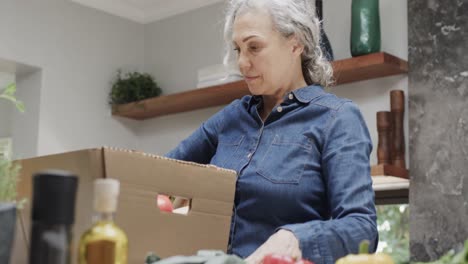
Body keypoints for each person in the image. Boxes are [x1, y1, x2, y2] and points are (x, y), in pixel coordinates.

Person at [165, 0, 378, 263]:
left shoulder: (337, 118)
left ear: (295, 43)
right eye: (238, 49)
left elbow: (361, 227)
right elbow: (162, 175)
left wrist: (295, 237)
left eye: (254, 47)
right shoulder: (232, 116)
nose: (242, 63)